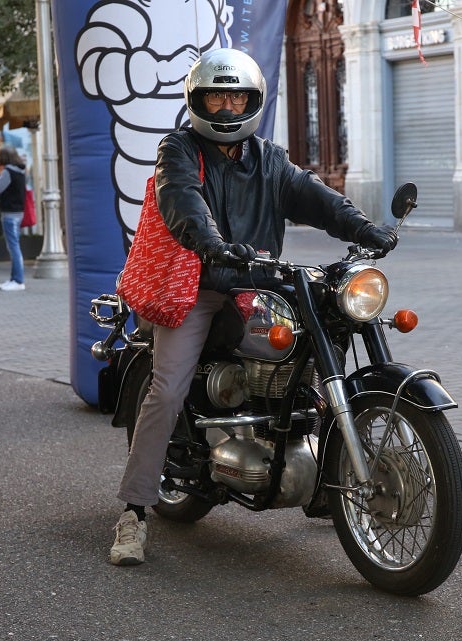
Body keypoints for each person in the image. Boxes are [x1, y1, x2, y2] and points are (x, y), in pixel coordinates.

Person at [109, 48, 398, 566]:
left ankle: (320, 477)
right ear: (198, 100)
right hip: (200, 282)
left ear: (252, 100)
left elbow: (315, 196)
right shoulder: (178, 149)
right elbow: (182, 200)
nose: (226, 107)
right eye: (216, 96)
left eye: (236, 95)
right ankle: (134, 512)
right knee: (169, 386)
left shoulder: (269, 159)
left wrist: (364, 228)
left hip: (259, 283)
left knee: (315, 347)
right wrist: (211, 243)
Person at [0, 145, 27, 292]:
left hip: (9, 213)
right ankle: (14, 278)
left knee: (13, 247)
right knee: (14, 245)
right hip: (18, 212)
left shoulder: (7, 172)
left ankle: (18, 280)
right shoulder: (20, 171)